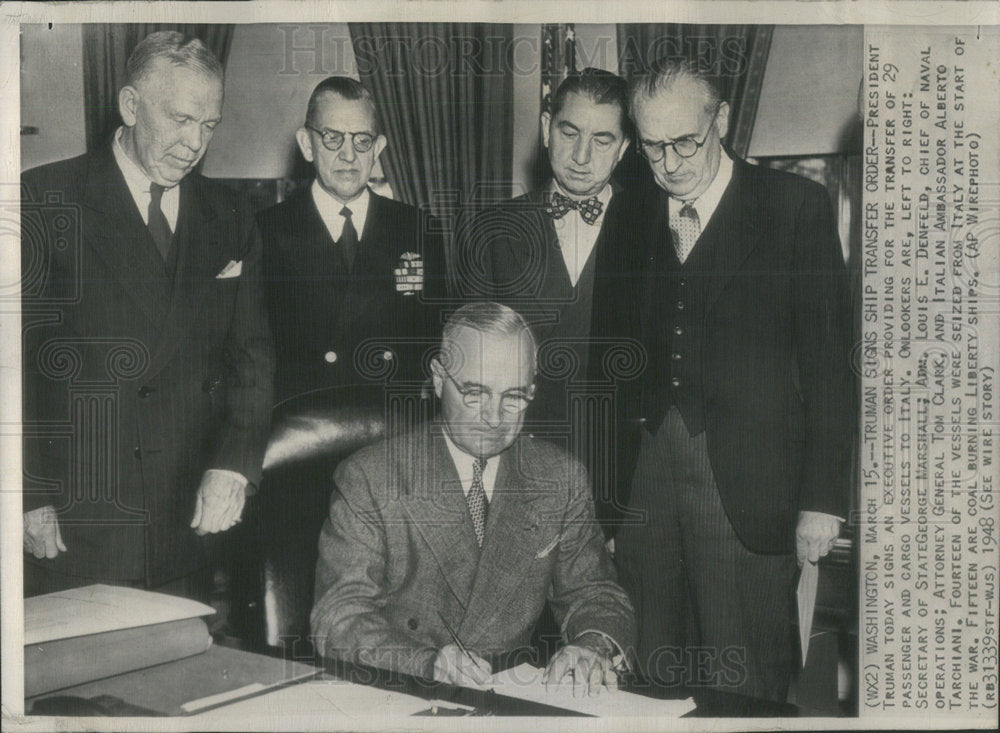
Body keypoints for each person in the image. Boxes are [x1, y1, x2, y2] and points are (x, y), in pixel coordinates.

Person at [610, 58, 854, 701]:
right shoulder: (630, 212)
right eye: (652, 147)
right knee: (647, 676)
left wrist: (823, 499)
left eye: (685, 141)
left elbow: (831, 363)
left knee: (744, 682)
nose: (669, 163)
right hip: (650, 480)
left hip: (753, 486)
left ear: (720, 120)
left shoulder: (793, 206)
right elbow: (612, 354)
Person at [20, 32, 274, 599]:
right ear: (131, 106)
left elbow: (252, 359)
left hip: (187, 515)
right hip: (76, 520)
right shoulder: (43, 201)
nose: (194, 144)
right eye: (181, 119)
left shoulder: (231, 215)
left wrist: (233, 466)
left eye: (209, 126)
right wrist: (26, 492)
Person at [310, 302, 635, 693]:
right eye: (475, 394)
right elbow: (338, 618)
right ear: (438, 380)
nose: (494, 418)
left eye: (513, 397)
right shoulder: (372, 478)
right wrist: (425, 663)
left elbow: (594, 593)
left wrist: (591, 645)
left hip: (509, 696)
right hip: (401, 690)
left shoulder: (558, 478)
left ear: (533, 390)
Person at [457, 68, 643, 526]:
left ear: (623, 149)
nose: (581, 155)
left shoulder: (653, 231)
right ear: (545, 129)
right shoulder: (490, 231)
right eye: (569, 132)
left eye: (602, 140)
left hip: (625, 482)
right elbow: (470, 373)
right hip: (516, 473)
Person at [257, 76, 446, 404]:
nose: (348, 155)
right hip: (301, 432)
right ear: (306, 144)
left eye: (361, 140)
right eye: (332, 138)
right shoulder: (265, 233)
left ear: (379, 148)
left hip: (392, 429)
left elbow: (438, 341)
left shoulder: (418, 229)